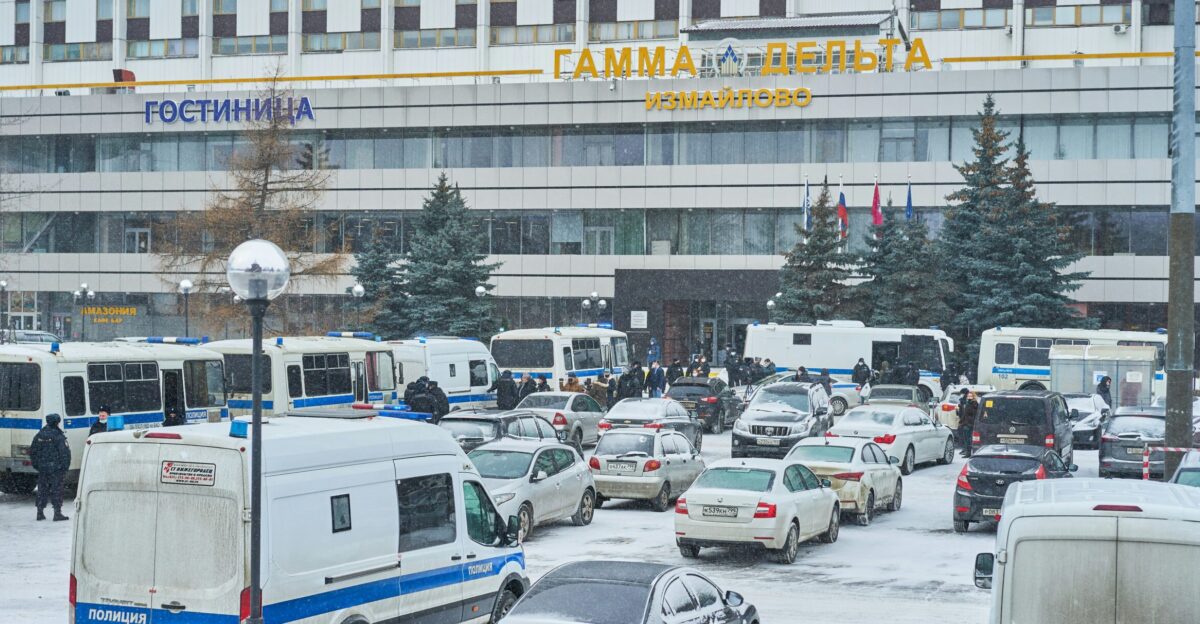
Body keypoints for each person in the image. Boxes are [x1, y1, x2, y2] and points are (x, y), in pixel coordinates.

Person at [29, 414, 70, 521]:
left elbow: (33, 451)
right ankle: (57, 513)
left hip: (43, 468)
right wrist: (64, 467)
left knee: (42, 489)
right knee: (56, 489)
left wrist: (37, 465)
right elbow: (64, 453)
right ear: (57, 422)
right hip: (56, 469)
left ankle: (40, 512)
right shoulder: (58, 435)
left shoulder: (39, 435)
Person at [958, 390, 979, 458]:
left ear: (973, 397)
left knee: (969, 439)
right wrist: (961, 422)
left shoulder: (974, 403)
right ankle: (967, 452)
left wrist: (968, 422)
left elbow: (973, 414)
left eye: (971, 396)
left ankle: (969, 453)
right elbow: (965, 414)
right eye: (968, 396)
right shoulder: (967, 403)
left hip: (970, 424)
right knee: (966, 438)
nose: (969, 397)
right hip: (966, 423)